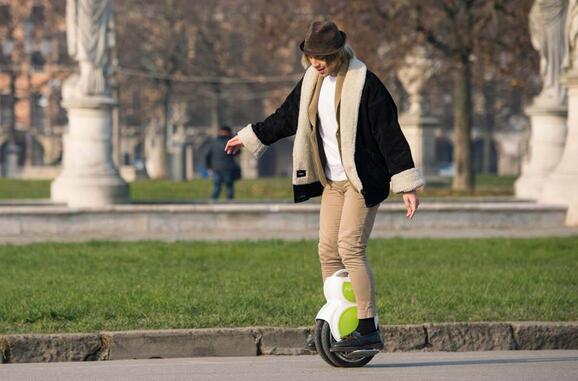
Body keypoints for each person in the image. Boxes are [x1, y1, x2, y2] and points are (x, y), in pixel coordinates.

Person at [225, 21, 424, 351]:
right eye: (311, 56)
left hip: (362, 181)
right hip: (332, 182)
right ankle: (339, 316)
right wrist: (249, 137)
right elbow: (286, 117)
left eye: (323, 57)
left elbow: (389, 133)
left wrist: (406, 184)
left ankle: (367, 326)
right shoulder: (310, 82)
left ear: (339, 53)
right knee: (328, 252)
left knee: (350, 248)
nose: (316, 63)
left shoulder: (365, 84)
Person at [206, 126, 241, 200]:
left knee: (217, 185)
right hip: (228, 167)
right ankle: (230, 202)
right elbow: (237, 153)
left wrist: (209, 167)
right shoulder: (230, 141)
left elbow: (207, 155)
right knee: (229, 186)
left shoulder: (213, 142)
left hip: (216, 168)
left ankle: (213, 202)